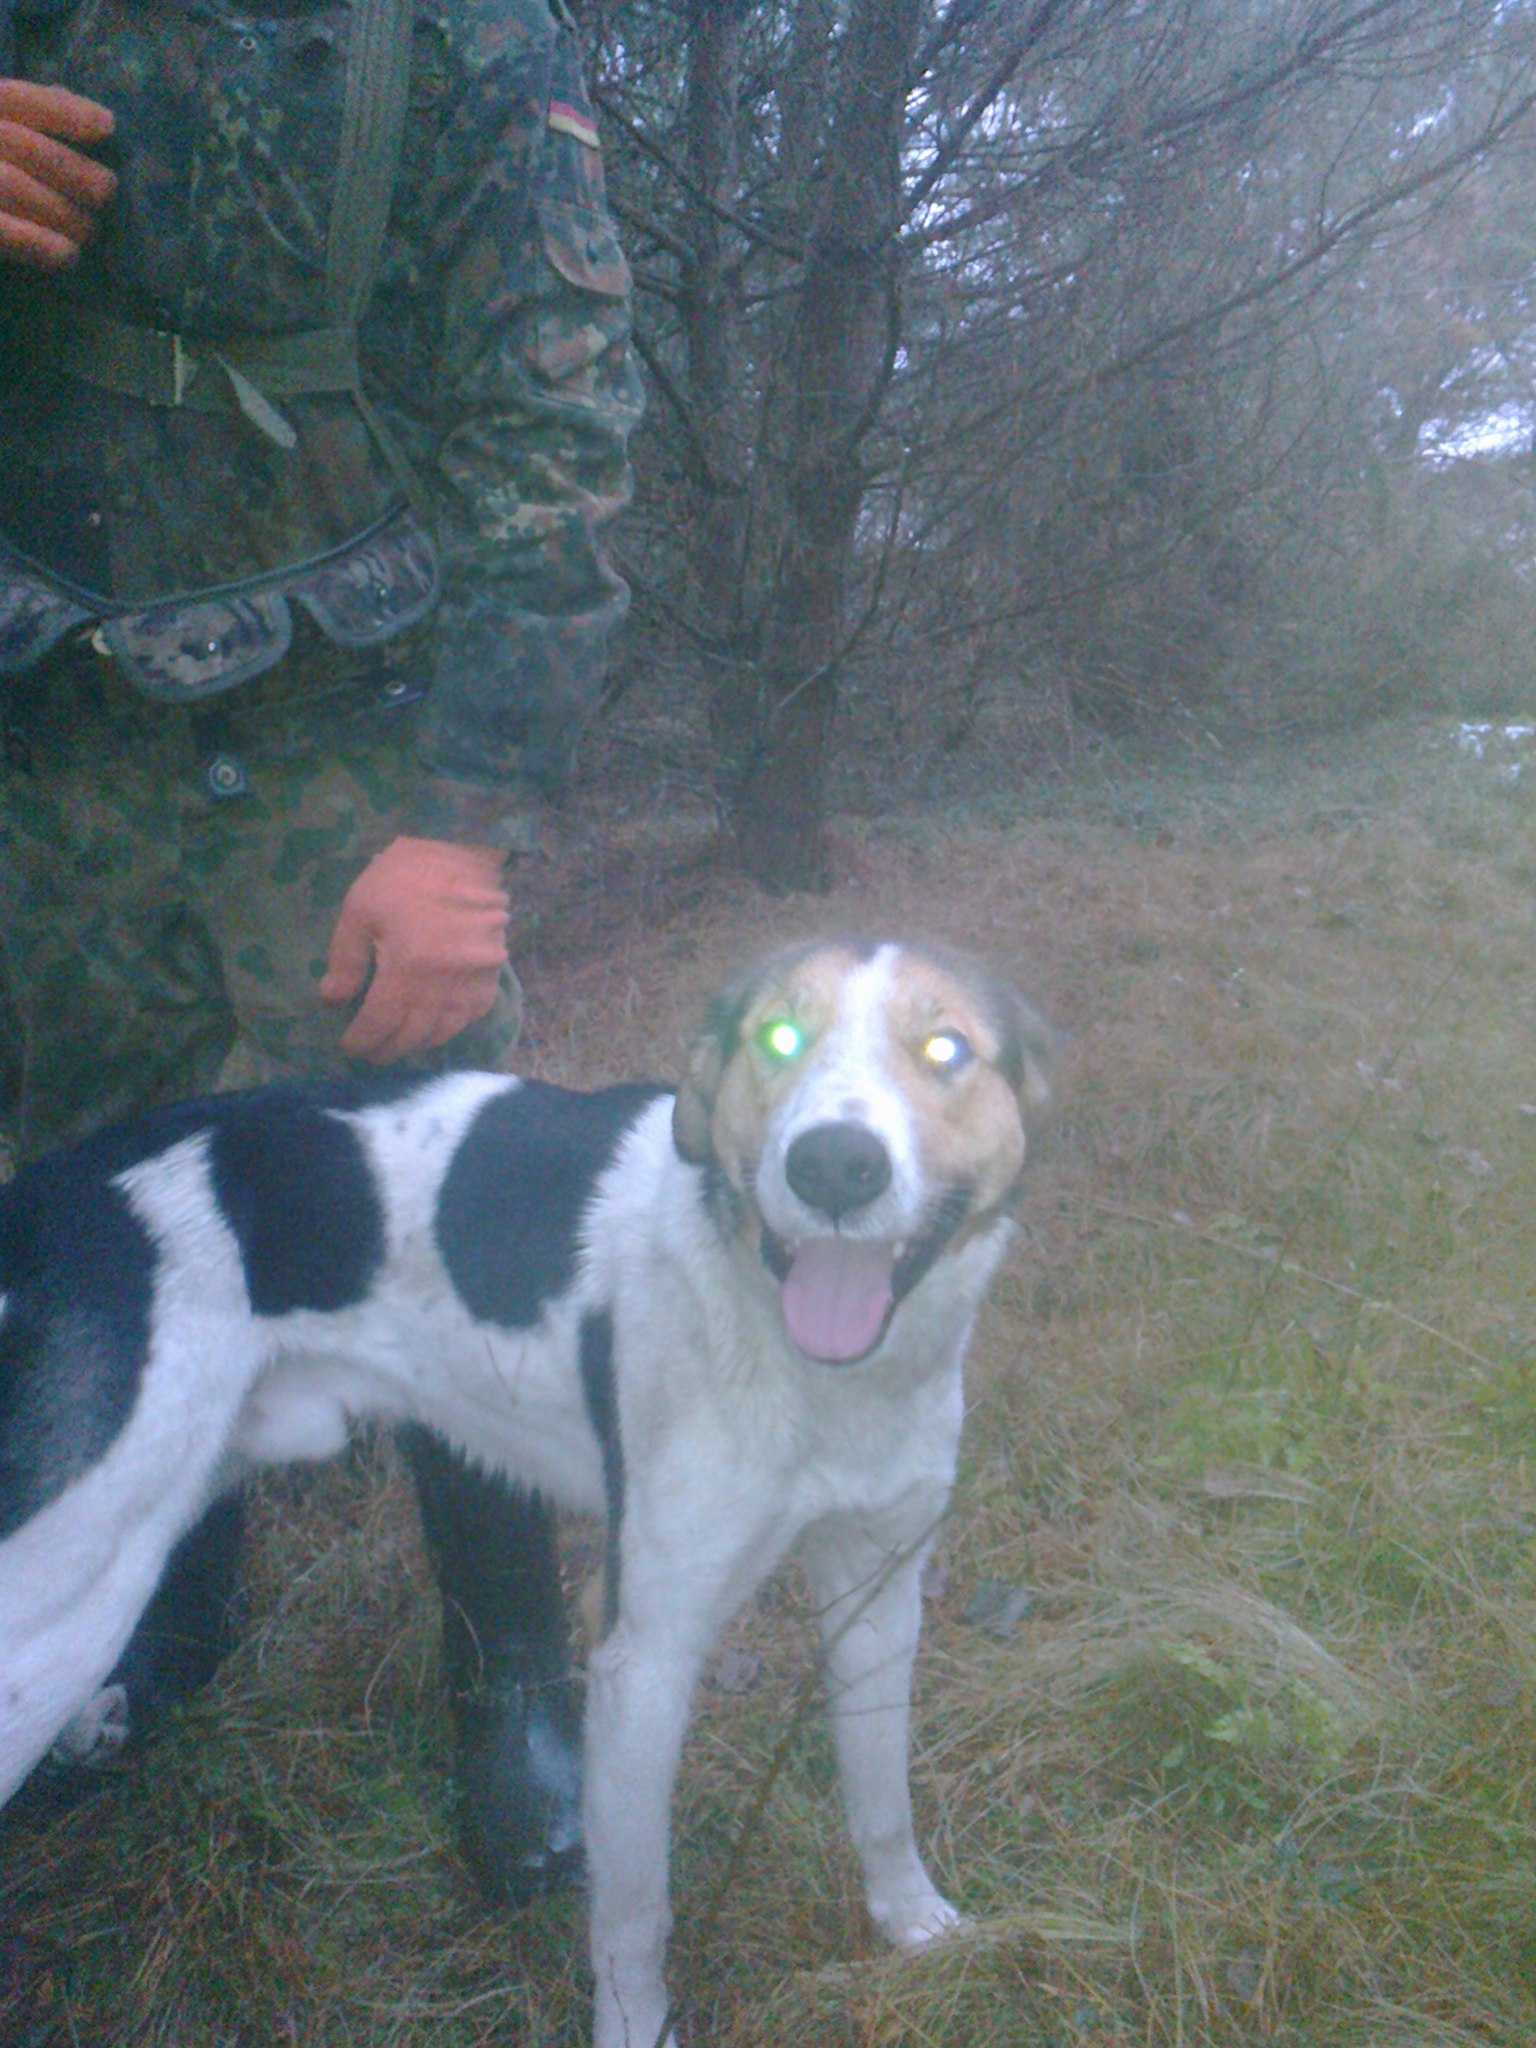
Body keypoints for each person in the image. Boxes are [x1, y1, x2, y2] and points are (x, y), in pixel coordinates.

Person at [0, 0, 642, 1907]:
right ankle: (148, 1618)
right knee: (87, 1210)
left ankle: (511, 1665)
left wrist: (467, 817)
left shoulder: (453, 31)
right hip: (52, 746)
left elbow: (555, 415)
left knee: (444, 1223)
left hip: (345, 746)